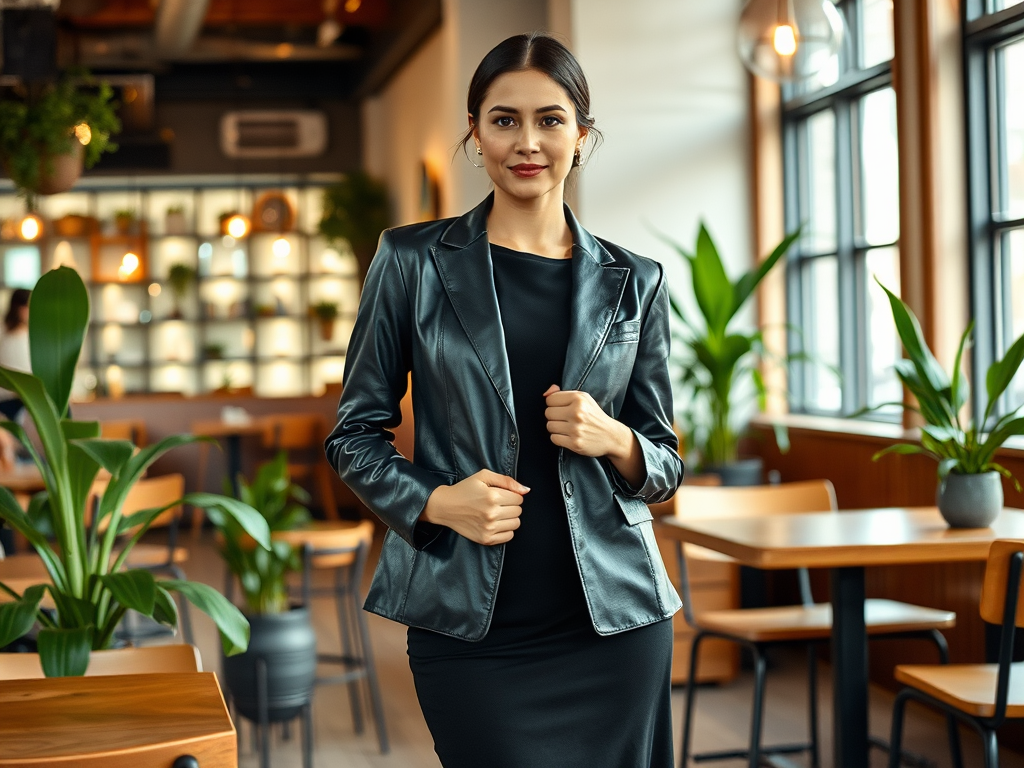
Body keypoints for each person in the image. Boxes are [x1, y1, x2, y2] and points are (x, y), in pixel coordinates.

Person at [325, 32, 683, 768]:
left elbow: (664, 462)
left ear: (582, 136)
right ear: (475, 132)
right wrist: (437, 501)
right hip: (469, 627)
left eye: (551, 120)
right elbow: (354, 433)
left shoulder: (635, 281)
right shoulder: (411, 261)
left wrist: (612, 437)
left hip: (615, 625)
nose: (529, 142)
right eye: (504, 119)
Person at [0, 288, 30, 422]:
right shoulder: (3, 334)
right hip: (6, 397)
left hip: (24, 398)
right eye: (26, 306)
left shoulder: (31, 337)